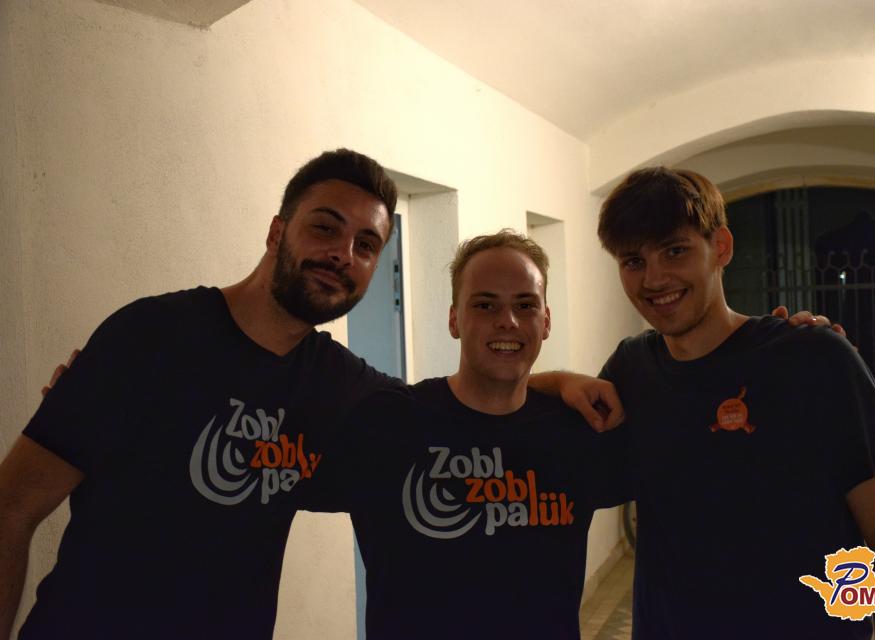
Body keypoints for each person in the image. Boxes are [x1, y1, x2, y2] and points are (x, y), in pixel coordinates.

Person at [0, 149, 403, 640]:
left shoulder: (341, 386)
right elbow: (13, 506)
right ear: (277, 233)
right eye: (325, 228)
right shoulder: (149, 336)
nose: (343, 254)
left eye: (366, 245)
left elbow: (454, 414)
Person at [592, 167, 875, 639]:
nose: (654, 278)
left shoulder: (815, 358)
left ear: (721, 247)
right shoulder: (631, 369)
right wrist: (555, 381)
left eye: (675, 250)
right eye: (633, 261)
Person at [309, 231, 632, 640]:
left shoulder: (578, 432)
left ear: (546, 321)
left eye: (525, 305)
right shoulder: (389, 423)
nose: (508, 320)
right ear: (454, 320)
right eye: (485, 304)